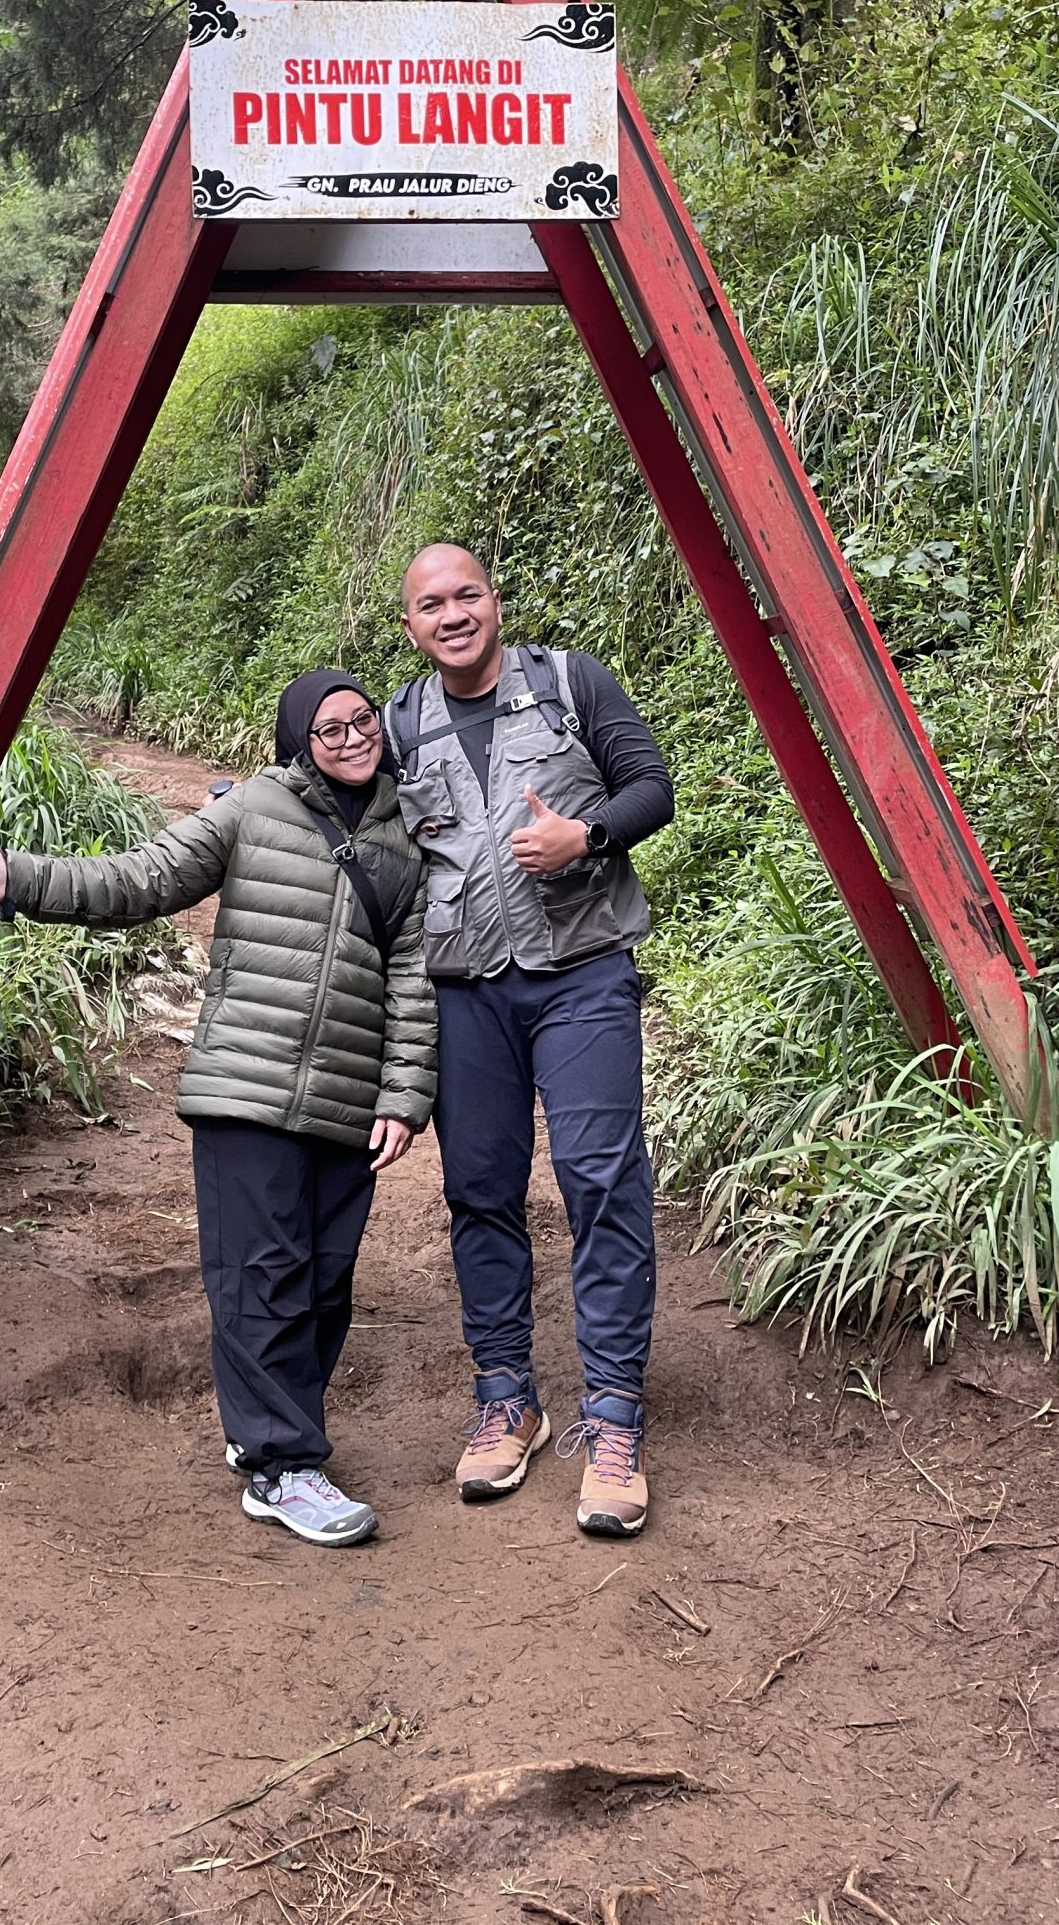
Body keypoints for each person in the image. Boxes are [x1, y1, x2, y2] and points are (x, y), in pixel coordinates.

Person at [0, 668, 435, 1549]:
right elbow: (144, 879)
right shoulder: (253, 808)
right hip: (244, 1090)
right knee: (260, 1277)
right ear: (299, 742)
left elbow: (410, 979)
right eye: (327, 729)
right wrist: (18, 877)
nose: (351, 738)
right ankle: (282, 1466)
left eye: (361, 720)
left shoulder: (404, 838)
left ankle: (269, 1431)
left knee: (324, 1284)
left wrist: (405, 1095)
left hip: (345, 1097)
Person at [386, 546, 673, 1539]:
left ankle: (613, 1417)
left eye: (467, 594)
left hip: (582, 973)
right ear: (412, 624)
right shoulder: (397, 725)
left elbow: (650, 787)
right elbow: (356, 832)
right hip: (468, 993)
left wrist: (586, 838)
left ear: (495, 601)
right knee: (479, 1190)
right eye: (433, 604)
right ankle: (508, 1398)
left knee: (600, 1179)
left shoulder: (567, 683)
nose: (454, 613)